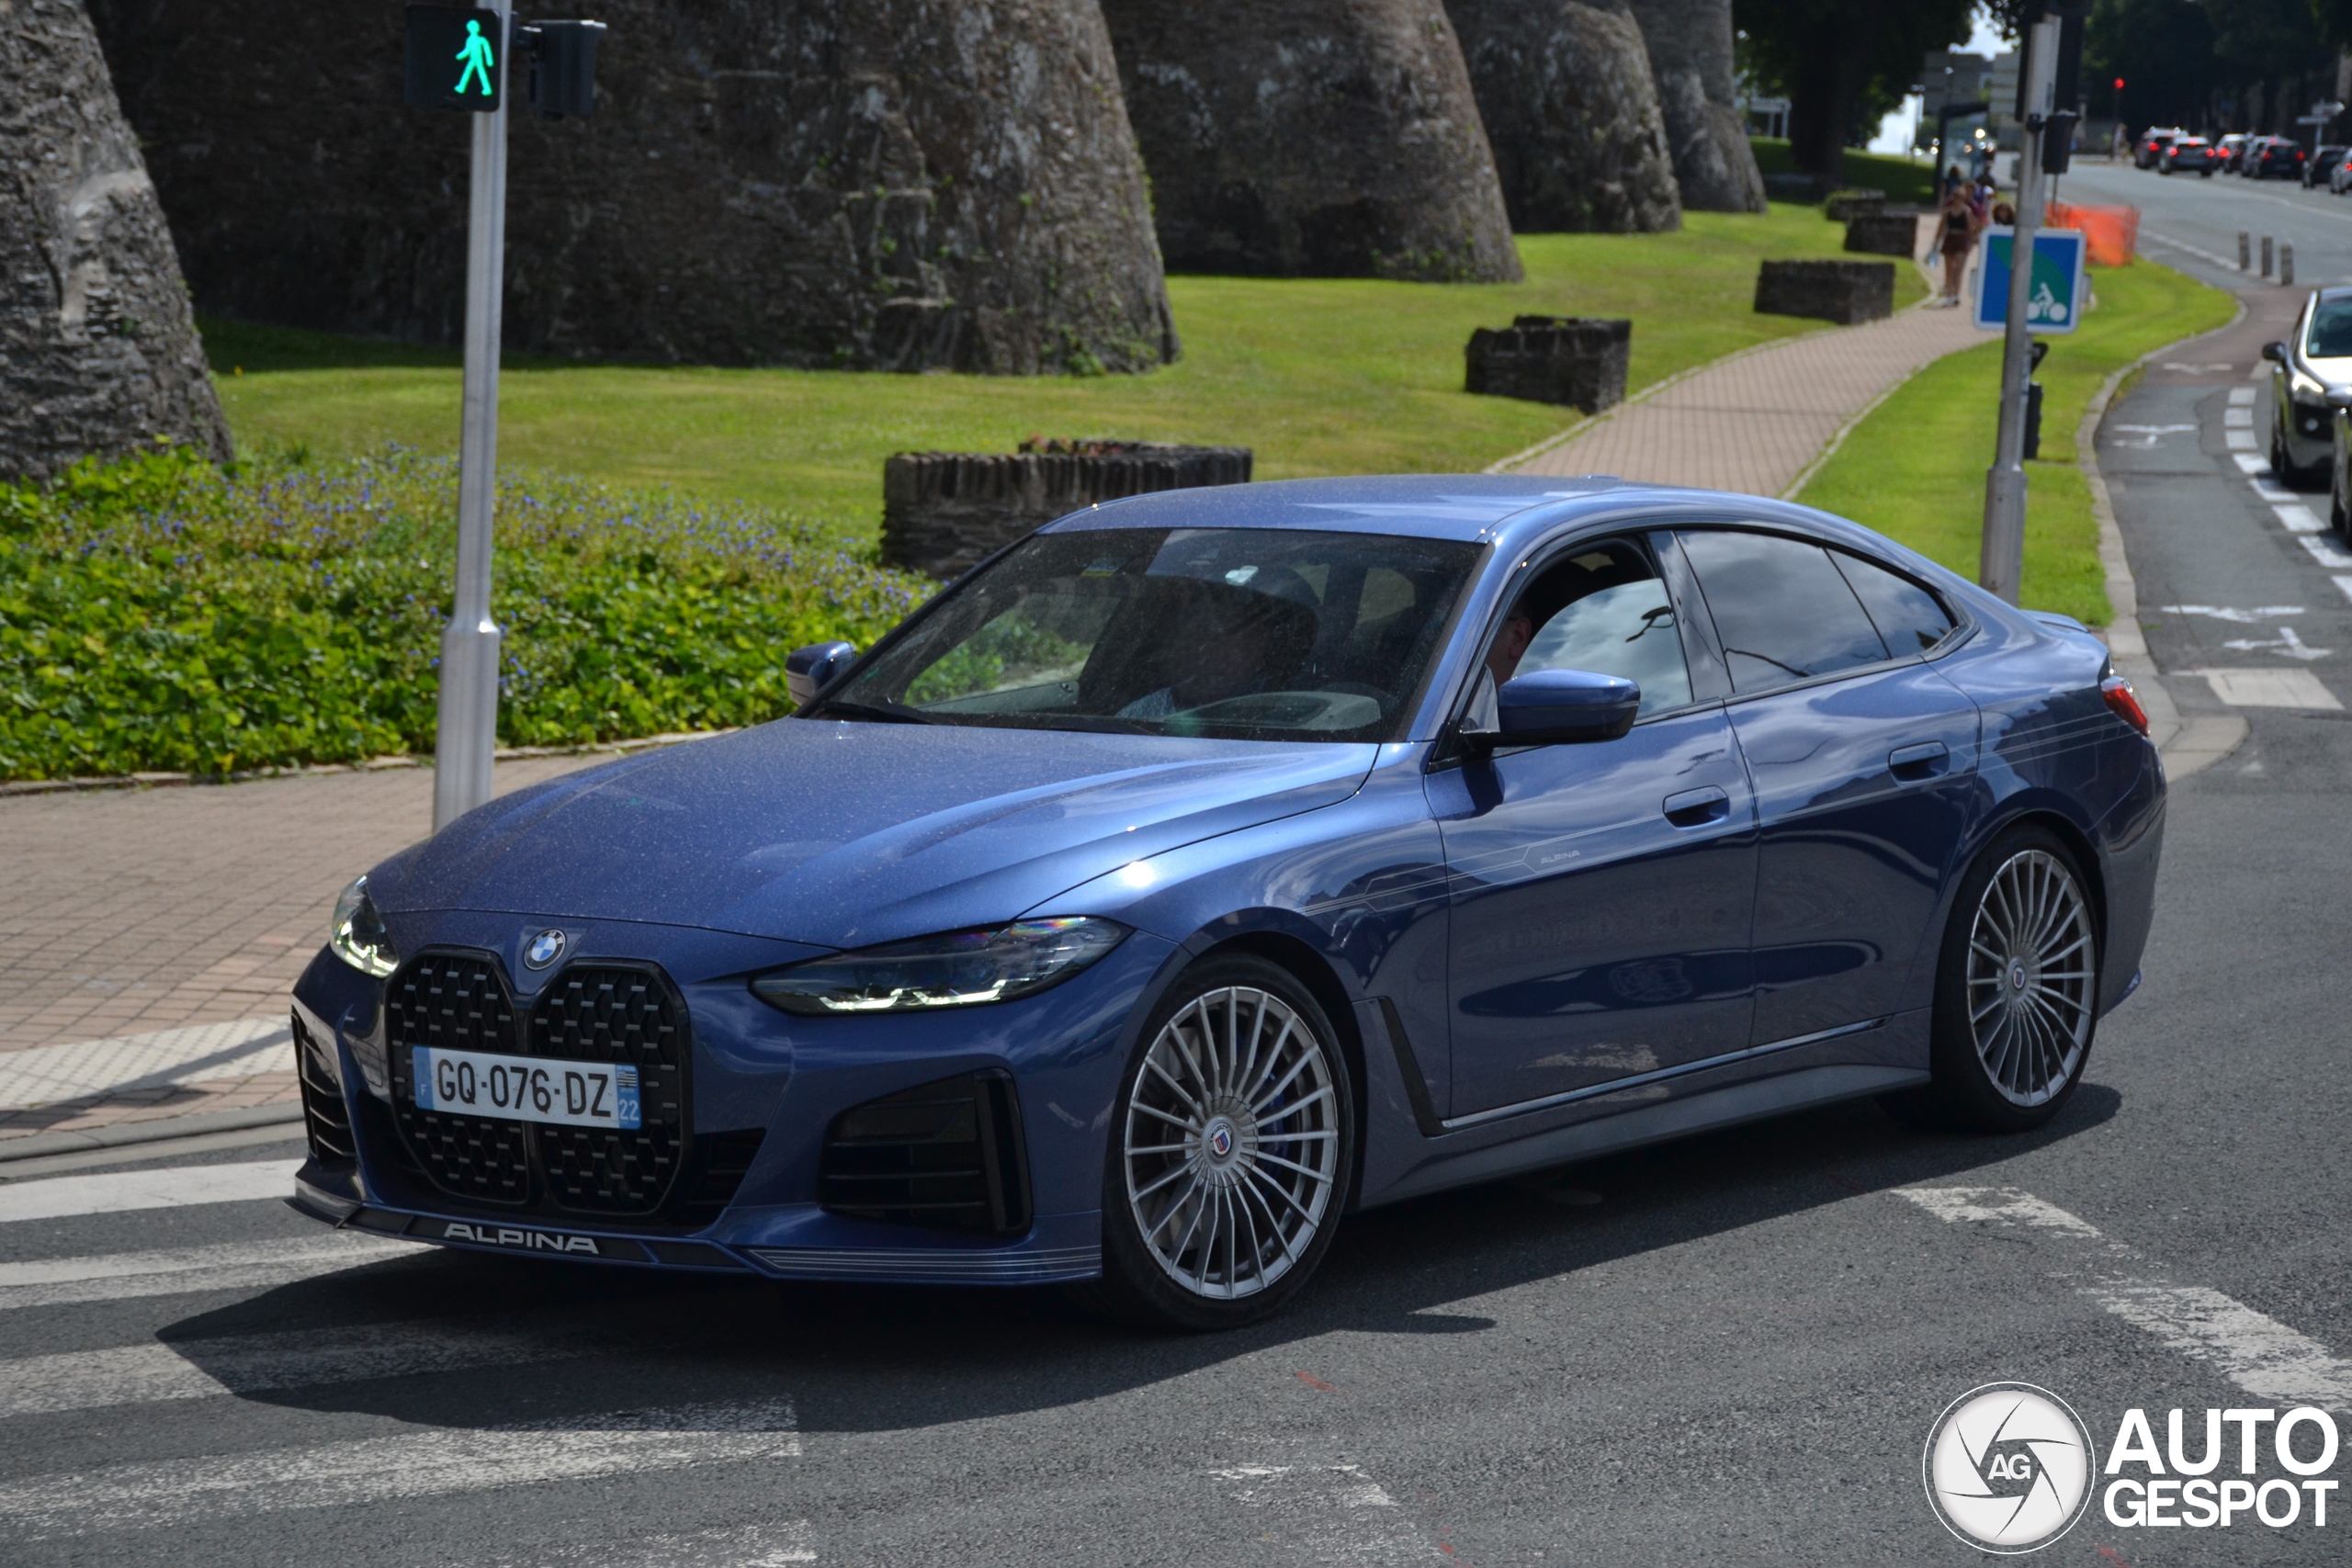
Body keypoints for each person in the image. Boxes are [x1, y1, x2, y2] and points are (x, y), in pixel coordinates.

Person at [1935, 185, 1979, 307]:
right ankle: (1949, 295)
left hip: (1961, 240)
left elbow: (1971, 229)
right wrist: (1935, 244)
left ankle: (1956, 294)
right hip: (1950, 239)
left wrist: (1972, 242)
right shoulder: (1948, 212)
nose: (1958, 199)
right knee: (1949, 270)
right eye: (1956, 196)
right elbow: (1941, 228)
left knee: (1958, 269)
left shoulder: (1967, 212)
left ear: (1964, 198)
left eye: (1960, 197)